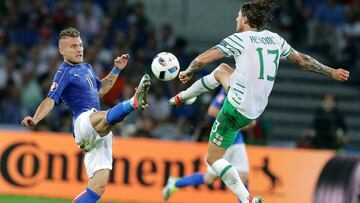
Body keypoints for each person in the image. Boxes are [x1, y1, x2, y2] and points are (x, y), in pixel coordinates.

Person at [168, 1, 350, 202]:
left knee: (212, 159)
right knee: (222, 71)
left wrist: (189, 70)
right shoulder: (275, 39)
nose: (236, 18)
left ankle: (246, 199)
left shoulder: (240, 39)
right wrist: (330, 71)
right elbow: (303, 61)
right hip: (255, 110)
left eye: (238, 16)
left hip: (234, 109)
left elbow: (202, 59)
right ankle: (184, 96)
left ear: (245, 19)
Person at [21, 27, 151, 203]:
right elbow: (50, 100)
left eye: (80, 45)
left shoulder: (87, 67)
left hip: (97, 129)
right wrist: (36, 118)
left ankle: (130, 104)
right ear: (62, 50)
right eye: (73, 46)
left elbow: (101, 90)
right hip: (83, 121)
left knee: (97, 188)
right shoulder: (64, 72)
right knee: (101, 117)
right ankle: (132, 103)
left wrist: (116, 70)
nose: (79, 49)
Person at [163, 88, 254, 202]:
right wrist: (235, 121)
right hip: (223, 140)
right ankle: (176, 183)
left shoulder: (248, 87)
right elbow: (212, 110)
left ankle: (176, 183)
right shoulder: (230, 87)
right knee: (209, 179)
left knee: (244, 176)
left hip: (237, 140)